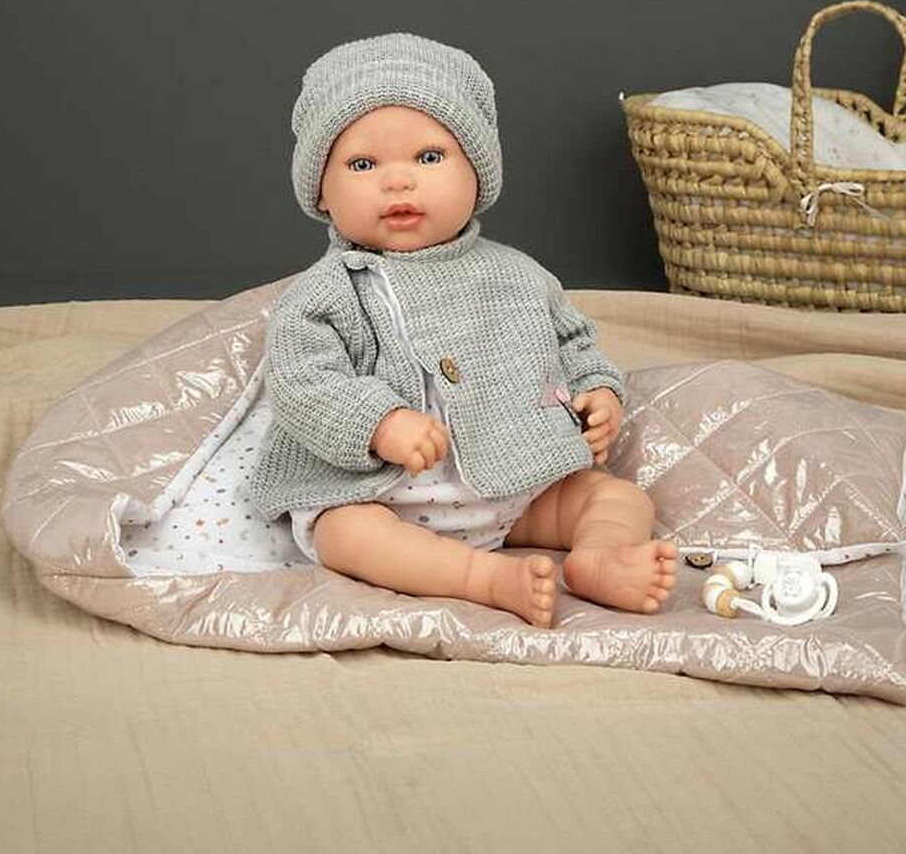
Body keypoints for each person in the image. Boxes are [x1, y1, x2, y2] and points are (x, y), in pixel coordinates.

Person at [250, 32, 677, 628]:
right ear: (321, 192)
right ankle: (481, 579)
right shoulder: (325, 293)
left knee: (616, 496)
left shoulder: (517, 275)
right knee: (344, 535)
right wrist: (379, 423)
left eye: (428, 158)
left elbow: (574, 342)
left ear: (477, 174)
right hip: (380, 493)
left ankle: (600, 557)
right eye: (363, 164)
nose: (398, 181)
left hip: (517, 482)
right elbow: (302, 382)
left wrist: (598, 393)